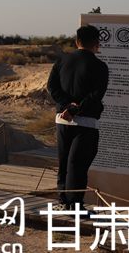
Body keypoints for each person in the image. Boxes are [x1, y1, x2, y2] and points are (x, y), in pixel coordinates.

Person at [46, 24, 109, 210]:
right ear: (96, 43)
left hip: (62, 119)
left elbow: (52, 88)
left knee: (64, 161)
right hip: (86, 121)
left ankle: (63, 200)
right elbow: (96, 95)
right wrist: (75, 109)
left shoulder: (61, 61)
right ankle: (75, 204)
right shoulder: (100, 66)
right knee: (78, 164)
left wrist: (67, 106)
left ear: (76, 42)